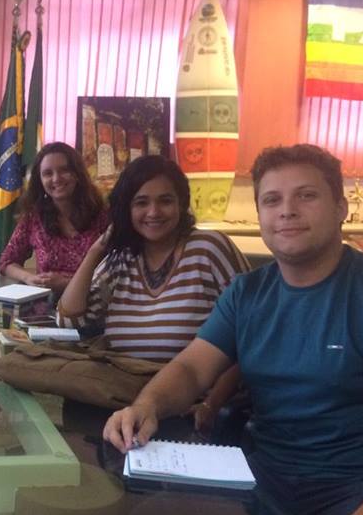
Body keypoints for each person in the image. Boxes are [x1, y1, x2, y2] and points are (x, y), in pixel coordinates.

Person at [104, 144, 363, 515]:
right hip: (269, 484)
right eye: (272, 200)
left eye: (305, 195)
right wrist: (148, 404)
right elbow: (192, 368)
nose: (286, 210)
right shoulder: (249, 293)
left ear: (340, 207)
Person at [58, 154, 248, 423]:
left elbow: (250, 337)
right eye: (141, 203)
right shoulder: (121, 259)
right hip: (122, 403)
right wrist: (96, 250)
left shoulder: (209, 249)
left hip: (191, 411)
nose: (154, 212)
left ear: (181, 203)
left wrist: (211, 404)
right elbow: (69, 320)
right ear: (126, 209)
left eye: (165, 201)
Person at [0, 142, 109, 294]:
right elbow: (7, 262)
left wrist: (66, 283)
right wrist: (29, 278)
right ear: (40, 180)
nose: (56, 179)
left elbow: (117, 272)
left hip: (92, 302)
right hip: (45, 304)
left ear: (77, 174)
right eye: (48, 173)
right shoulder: (33, 217)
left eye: (64, 170)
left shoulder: (102, 215)